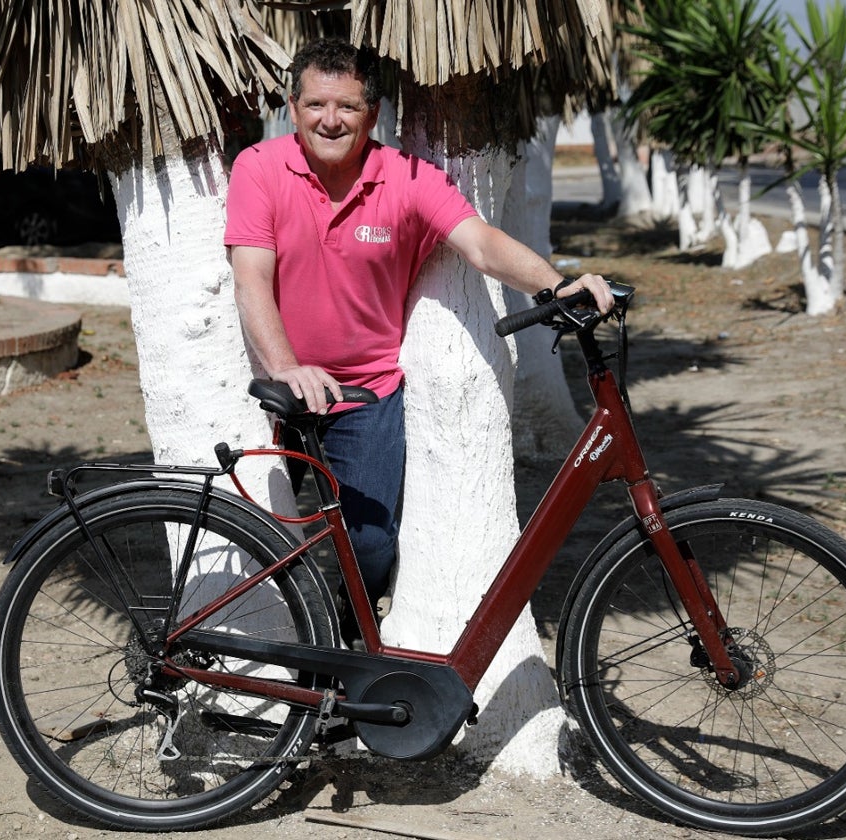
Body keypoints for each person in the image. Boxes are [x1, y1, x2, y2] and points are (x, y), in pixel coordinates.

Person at [225, 37, 611, 643]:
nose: (331, 120)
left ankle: (344, 645)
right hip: (276, 385)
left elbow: (481, 243)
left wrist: (557, 285)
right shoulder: (259, 168)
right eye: (317, 105)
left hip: (365, 391)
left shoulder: (405, 178)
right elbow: (251, 277)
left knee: (372, 543)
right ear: (293, 107)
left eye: (348, 107)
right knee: (261, 539)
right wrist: (287, 368)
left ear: (372, 115)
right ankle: (275, 657)